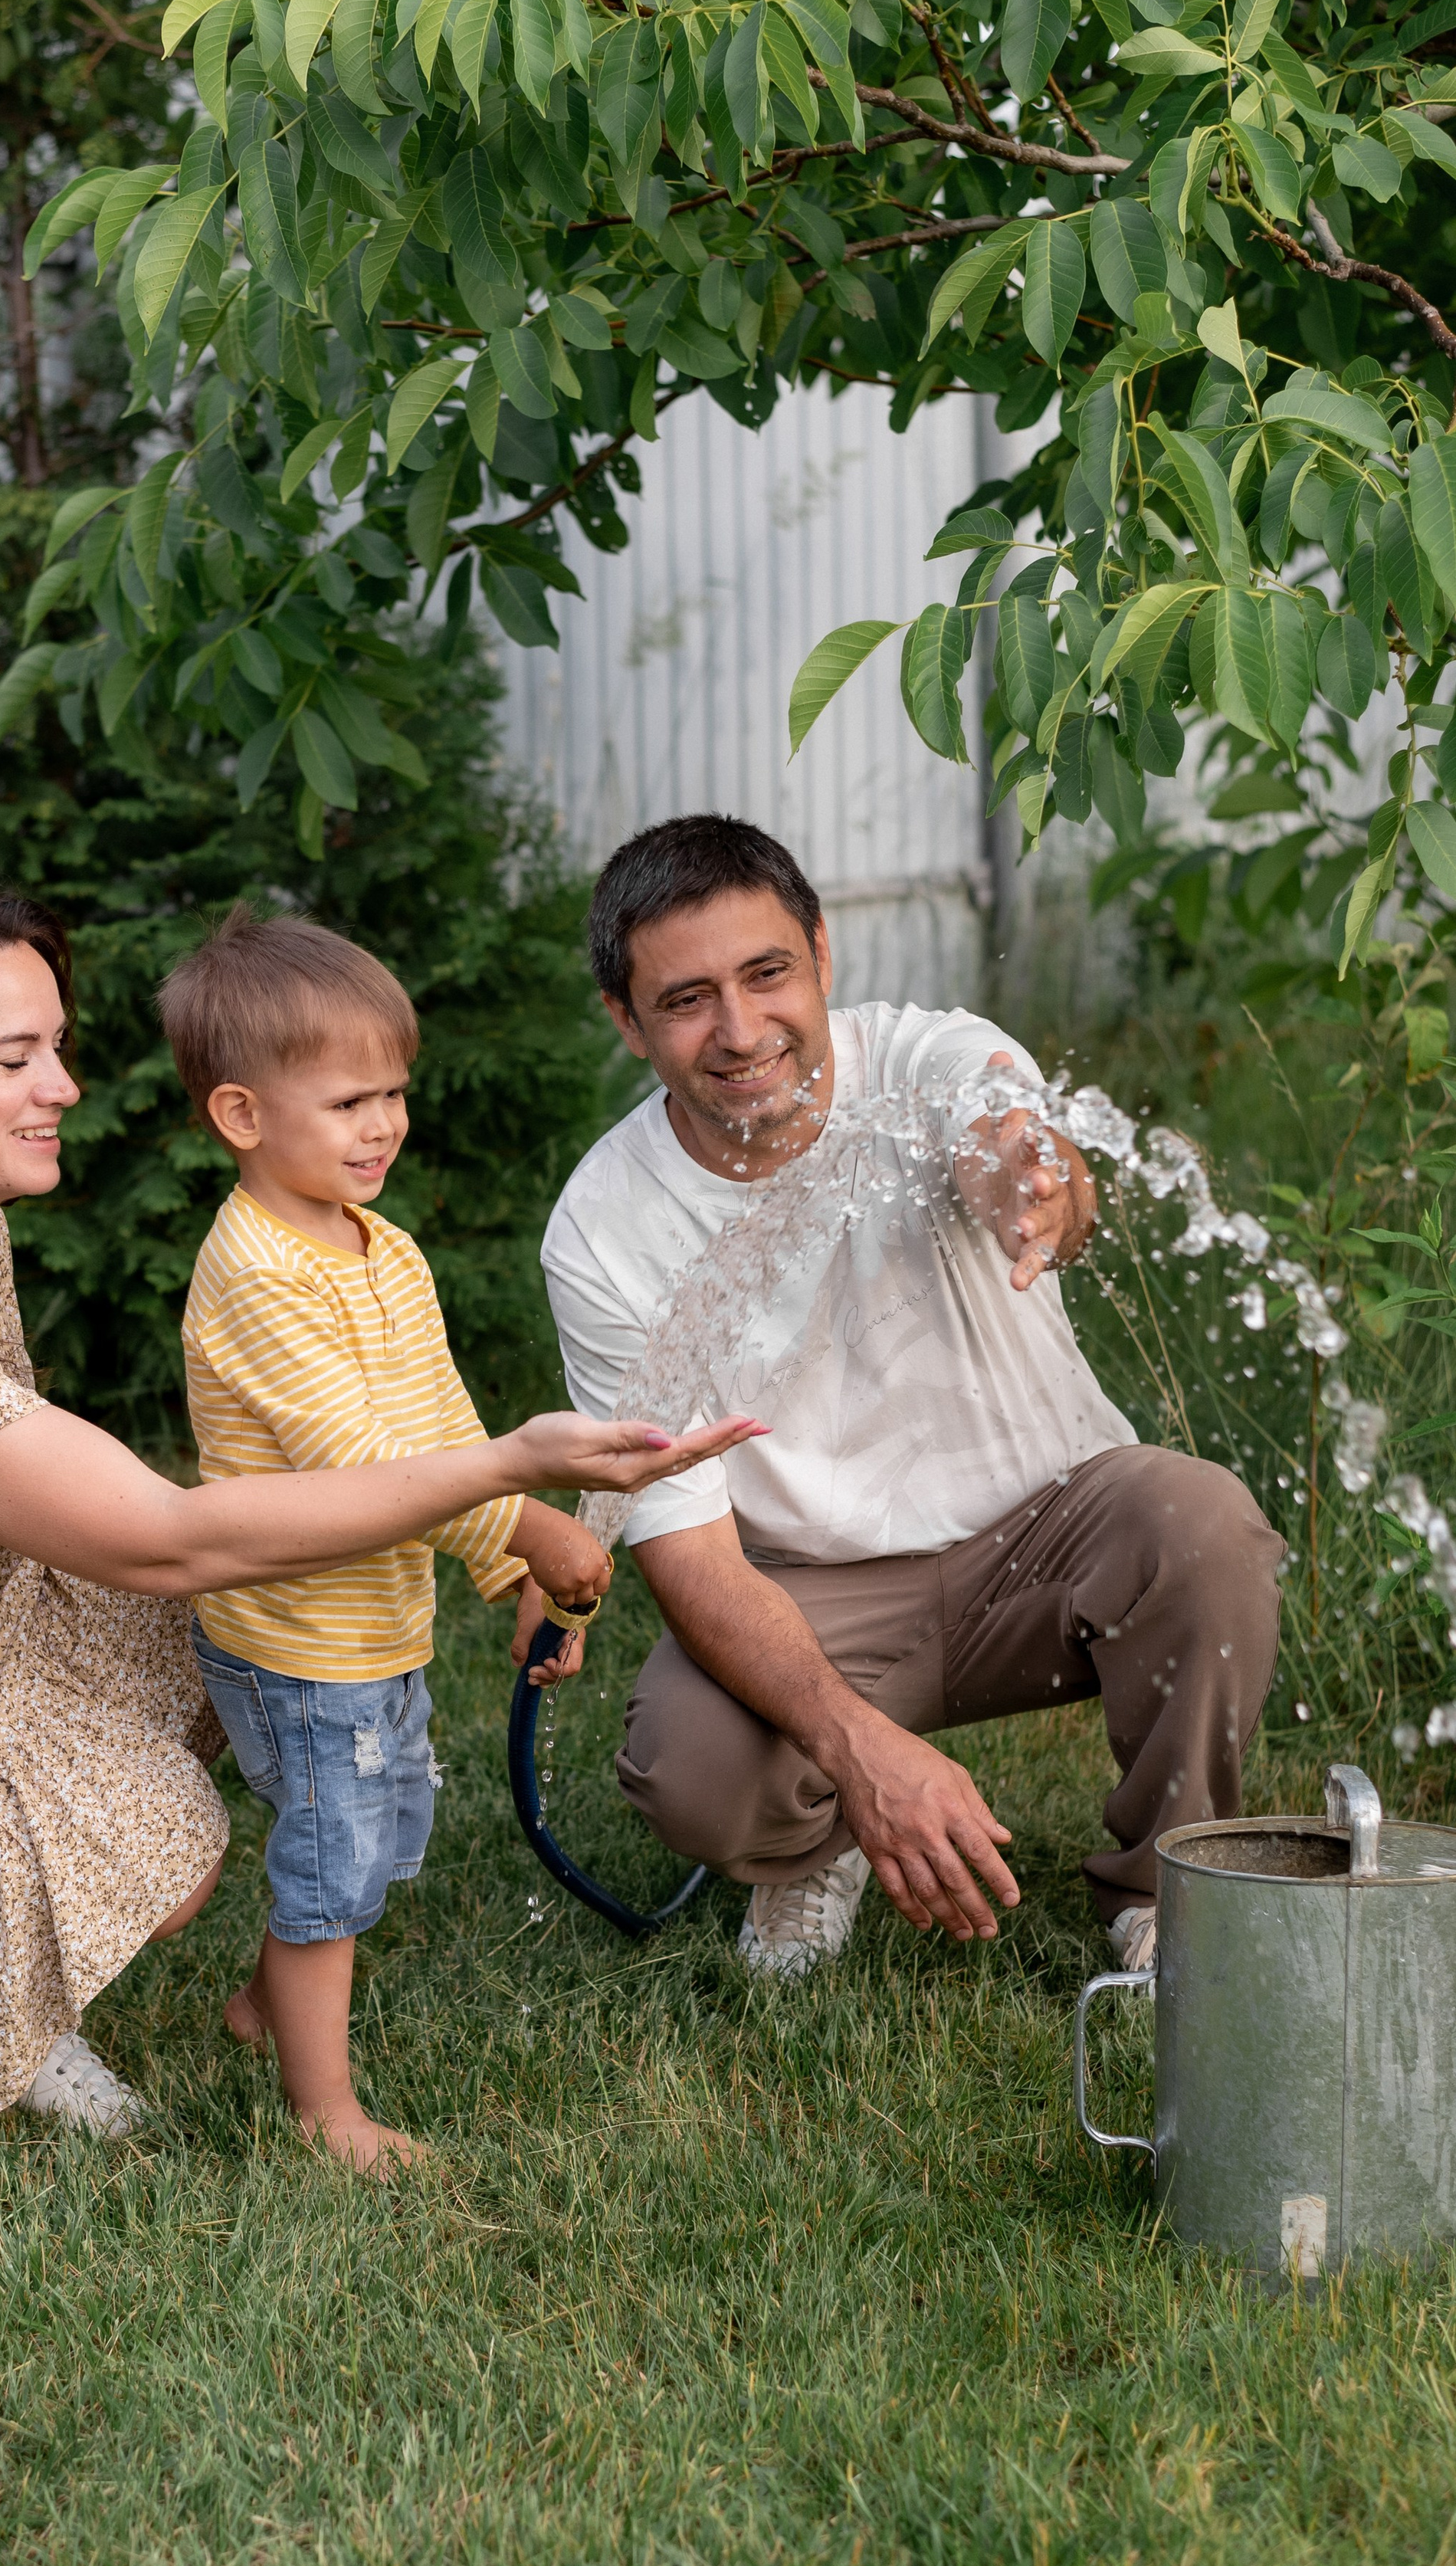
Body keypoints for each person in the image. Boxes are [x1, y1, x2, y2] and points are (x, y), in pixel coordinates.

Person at [0, 877, 754, 2167]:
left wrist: (504, 1529)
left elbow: (166, 1525)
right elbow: (165, 1535)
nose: (64, 1088)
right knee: (171, 1792)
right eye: (15, 1057)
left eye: (59, 1049)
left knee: (206, 1628)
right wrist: (509, 1473)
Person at [539, 815, 1284, 1986]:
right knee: (688, 1760)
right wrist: (861, 1751)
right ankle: (818, 1843)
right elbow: (689, 1561)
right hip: (816, 1594)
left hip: (1051, 1540)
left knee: (1204, 1525)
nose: (741, 1031)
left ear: (824, 954)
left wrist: (1033, 1186)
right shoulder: (602, 1228)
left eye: (768, 973)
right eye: (686, 999)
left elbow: (1008, 1134)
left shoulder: (930, 1057)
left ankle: (1166, 1891)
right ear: (625, 1022)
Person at [162, 907, 616, 2173]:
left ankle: (262, 2013)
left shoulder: (381, 1246)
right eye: (351, 1099)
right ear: (244, 1117)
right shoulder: (255, 1274)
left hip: (372, 1627)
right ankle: (325, 2115)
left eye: (395, 1094)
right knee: (330, 1858)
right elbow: (360, 1466)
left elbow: (440, 1424)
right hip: (301, 1641)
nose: (384, 1124)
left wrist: (507, 1560)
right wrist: (526, 1512)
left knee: (369, 1828)